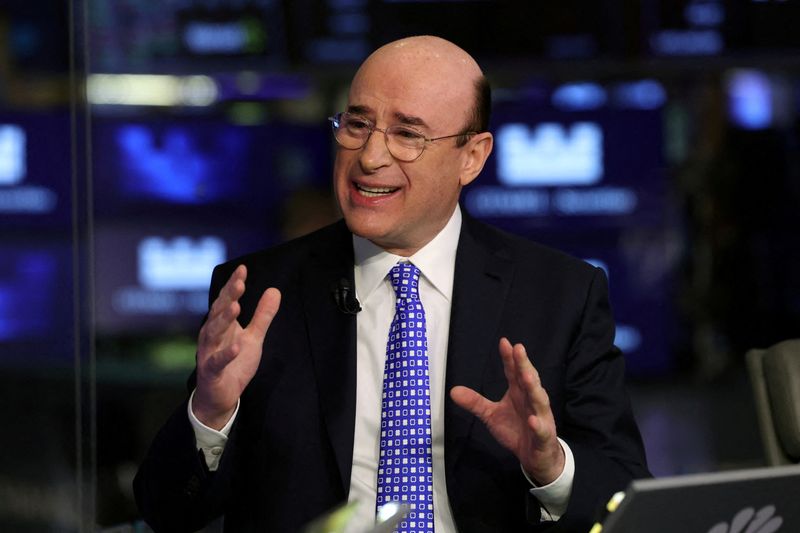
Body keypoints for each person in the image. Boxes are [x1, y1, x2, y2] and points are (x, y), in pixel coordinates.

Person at [134, 35, 649, 532]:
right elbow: (167, 512)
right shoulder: (260, 293)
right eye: (357, 125)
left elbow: (627, 496)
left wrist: (550, 466)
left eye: (407, 135)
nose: (370, 157)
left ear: (471, 156)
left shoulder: (562, 294)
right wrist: (211, 413)